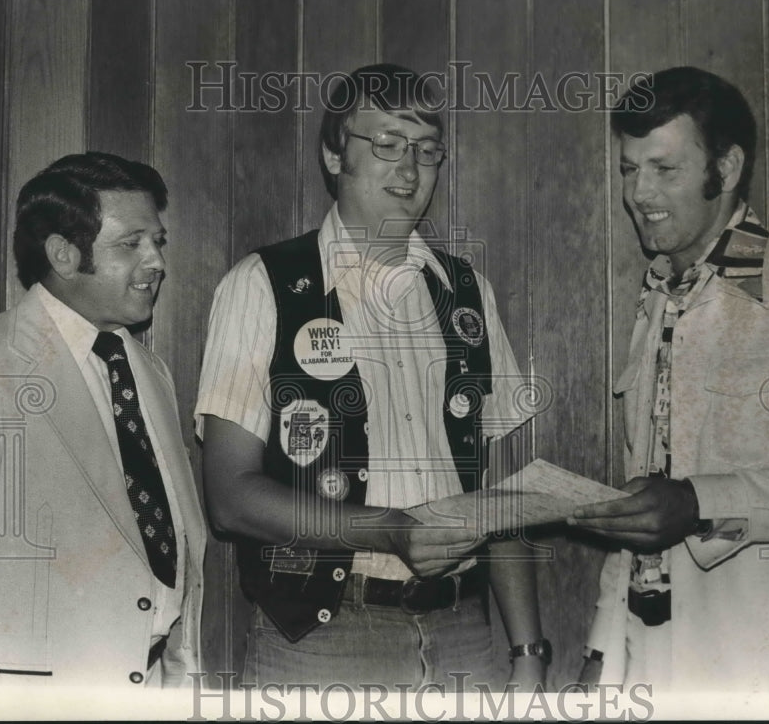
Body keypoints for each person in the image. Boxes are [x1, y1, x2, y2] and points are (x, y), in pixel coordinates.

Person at [196, 63, 547, 690]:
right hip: (320, 638)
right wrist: (388, 529)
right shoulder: (264, 284)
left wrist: (528, 650)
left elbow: (503, 491)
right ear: (335, 156)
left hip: (467, 633)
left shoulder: (468, 292)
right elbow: (229, 497)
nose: (409, 170)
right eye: (385, 144)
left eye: (427, 150)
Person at [569, 67, 769, 691]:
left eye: (665, 168)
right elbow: (646, 492)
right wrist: (603, 651)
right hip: (657, 659)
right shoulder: (660, 296)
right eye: (631, 170)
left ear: (727, 168)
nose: (639, 192)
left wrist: (701, 501)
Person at [0, 152, 206, 687]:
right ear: (63, 254)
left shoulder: (150, 370)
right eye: (131, 244)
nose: (156, 261)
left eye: (158, 241)